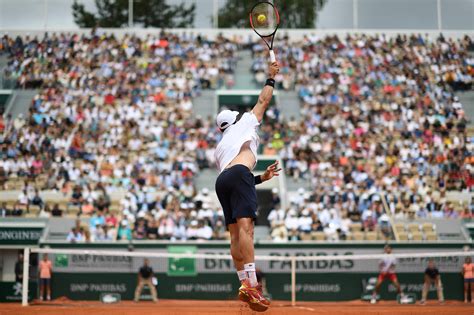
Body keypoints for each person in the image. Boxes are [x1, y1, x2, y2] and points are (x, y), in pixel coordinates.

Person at [214, 60, 280, 312]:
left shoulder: (220, 146)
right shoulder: (245, 123)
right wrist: (270, 77)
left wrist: (261, 179)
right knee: (246, 230)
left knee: (233, 234)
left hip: (223, 181)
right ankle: (252, 285)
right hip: (240, 174)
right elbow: (263, 101)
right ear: (235, 119)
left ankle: (243, 284)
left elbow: (232, 175)